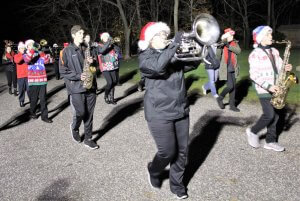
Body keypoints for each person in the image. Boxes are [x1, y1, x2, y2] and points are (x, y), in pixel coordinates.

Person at [138, 22, 200, 199]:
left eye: (166, 34)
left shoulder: (174, 55)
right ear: (150, 40)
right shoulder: (145, 58)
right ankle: (154, 169)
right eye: (160, 35)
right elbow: (158, 66)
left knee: (182, 152)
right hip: (159, 113)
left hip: (180, 109)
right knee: (167, 151)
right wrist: (174, 45)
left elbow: (193, 64)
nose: (166, 37)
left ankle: (177, 185)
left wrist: (203, 46)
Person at [246, 25, 293, 152]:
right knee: (269, 114)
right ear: (261, 38)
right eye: (268, 34)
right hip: (264, 89)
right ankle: (253, 131)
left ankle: (270, 141)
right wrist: (269, 86)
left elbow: (280, 66)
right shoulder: (255, 54)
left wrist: (286, 67)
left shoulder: (275, 51)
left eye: (270, 34)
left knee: (276, 116)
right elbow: (254, 74)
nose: (271, 36)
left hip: (277, 87)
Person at [59, 25, 99, 150]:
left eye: (83, 33)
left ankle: (88, 139)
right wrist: (77, 76)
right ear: (73, 35)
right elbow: (62, 70)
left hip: (90, 85)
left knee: (90, 113)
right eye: (80, 33)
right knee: (81, 112)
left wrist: (92, 61)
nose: (82, 35)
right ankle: (74, 127)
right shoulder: (66, 51)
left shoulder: (87, 48)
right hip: (76, 87)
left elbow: (95, 66)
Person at [23, 39, 52, 123]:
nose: (33, 45)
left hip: (42, 80)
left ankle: (44, 116)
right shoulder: (26, 54)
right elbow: (27, 60)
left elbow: (47, 61)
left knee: (43, 99)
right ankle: (32, 112)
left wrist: (41, 52)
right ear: (27, 46)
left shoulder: (40, 53)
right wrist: (33, 49)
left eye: (33, 44)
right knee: (34, 99)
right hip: (33, 81)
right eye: (31, 44)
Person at [216, 28, 241, 112]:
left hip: (233, 68)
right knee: (230, 86)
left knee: (233, 88)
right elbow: (218, 57)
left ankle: (232, 106)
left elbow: (238, 51)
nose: (232, 36)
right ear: (226, 36)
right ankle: (220, 98)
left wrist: (228, 46)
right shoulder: (222, 44)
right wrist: (220, 47)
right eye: (230, 35)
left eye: (232, 35)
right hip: (225, 68)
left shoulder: (235, 43)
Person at [95, 32, 119, 105]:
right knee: (110, 82)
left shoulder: (111, 44)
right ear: (102, 38)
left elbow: (118, 50)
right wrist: (108, 43)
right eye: (105, 37)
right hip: (104, 66)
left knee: (114, 81)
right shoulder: (99, 45)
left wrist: (114, 44)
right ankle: (106, 96)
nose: (107, 38)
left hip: (112, 65)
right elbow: (102, 51)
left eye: (107, 37)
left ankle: (112, 98)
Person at [14, 42, 29, 107]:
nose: (23, 49)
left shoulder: (27, 55)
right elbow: (17, 61)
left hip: (28, 75)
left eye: (24, 48)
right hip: (21, 76)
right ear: (19, 49)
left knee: (29, 89)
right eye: (22, 48)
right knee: (21, 90)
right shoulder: (16, 55)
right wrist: (23, 55)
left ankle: (32, 99)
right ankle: (21, 101)